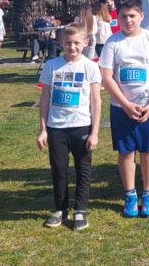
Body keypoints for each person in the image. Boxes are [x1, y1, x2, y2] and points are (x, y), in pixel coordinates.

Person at [99, 0, 149, 218]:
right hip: (121, 108)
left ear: (141, 16)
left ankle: (148, 194)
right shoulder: (113, 42)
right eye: (123, 16)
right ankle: (130, 195)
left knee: (148, 151)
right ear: (117, 18)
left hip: (148, 107)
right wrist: (125, 104)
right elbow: (107, 76)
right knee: (126, 152)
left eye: (132, 16)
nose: (128, 20)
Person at [36, 24, 102, 230]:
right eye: (67, 43)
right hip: (56, 127)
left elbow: (96, 101)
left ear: (85, 43)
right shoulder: (51, 66)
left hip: (81, 126)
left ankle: (80, 210)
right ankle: (61, 209)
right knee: (59, 169)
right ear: (61, 43)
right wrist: (43, 129)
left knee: (83, 169)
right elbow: (44, 99)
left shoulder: (90, 66)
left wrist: (94, 133)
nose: (72, 47)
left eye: (76, 43)